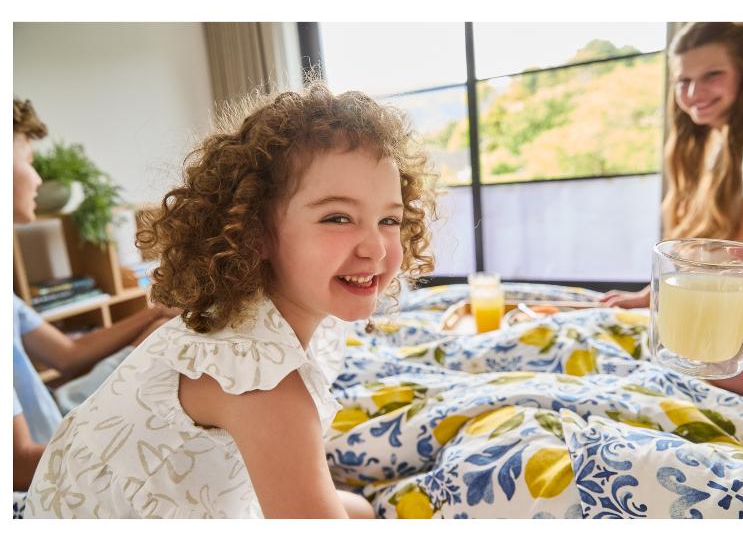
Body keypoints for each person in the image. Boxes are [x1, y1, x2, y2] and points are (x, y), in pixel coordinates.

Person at [24, 81, 438, 519]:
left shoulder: (264, 316)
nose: (375, 248)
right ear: (254, 232)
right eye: (337, 218)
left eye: (389, 218)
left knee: (358, 511)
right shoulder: (261, 380)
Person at [12, 98, 177, 492]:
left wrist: (154, 313)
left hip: (57, 416)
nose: (37, 179)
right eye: (27, 159)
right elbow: (18, 466)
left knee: (164, 329)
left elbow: (66, 356)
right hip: (42, 461)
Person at [599, 23, 743, 400]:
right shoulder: (723, 146)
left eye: (712, 75)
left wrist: (654, 298)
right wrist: (650, 295)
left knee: (608, 346)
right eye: (683, 81)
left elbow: (740, 263)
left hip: (738, 344)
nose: (693, 93)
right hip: (724, 335)